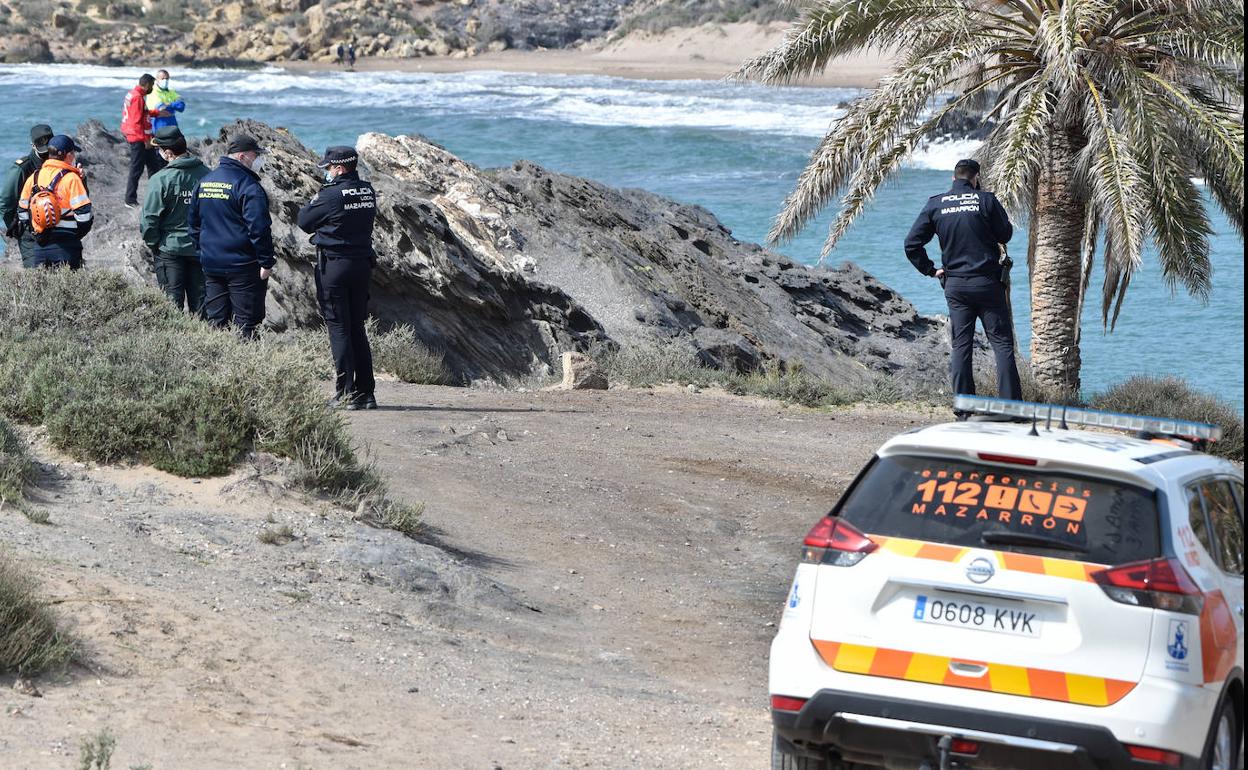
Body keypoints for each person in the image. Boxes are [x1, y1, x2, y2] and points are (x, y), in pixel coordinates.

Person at [904, 158, 1022, 405]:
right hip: (988, 283)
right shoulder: (986, 200)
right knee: (1001, 345)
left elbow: (911, 244)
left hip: (955, 285)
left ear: (953, 178)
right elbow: (1005, 234)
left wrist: (931, 270)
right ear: (976, 177)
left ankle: (965, 408)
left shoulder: (936, 204)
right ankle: (1011, 408)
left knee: (961, 346)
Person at [297, 145, 379, 410]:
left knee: (339, 328)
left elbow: (304, 221)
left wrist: (317, 201)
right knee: (357, 327)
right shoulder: (367, 190)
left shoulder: (330, 195)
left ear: (340, 168)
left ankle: (344, 393)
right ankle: (366, 393)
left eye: (329, 168)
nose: (327, 173)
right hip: (362, 264)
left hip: (335, 266)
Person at [187, 135, 275, 340]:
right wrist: (266, 261)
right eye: (255, 155)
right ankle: (246, 369)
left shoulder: (205, 182)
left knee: (217, 322)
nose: (258, 160)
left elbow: (192, 224)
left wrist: (204, 252)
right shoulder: (248, 186)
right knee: (247, 323)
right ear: (243, 156)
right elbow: (259, 229)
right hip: (243, 265)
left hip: (212, 264)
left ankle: (217, 366)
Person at [141, 126, 210, 314]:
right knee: (201, 307)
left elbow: (149, 219)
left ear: (168, 153)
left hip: (169, 250)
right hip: (200, 248)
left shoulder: (160, 179)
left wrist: (154, 243)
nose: (158, 153)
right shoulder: (208, 175)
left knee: (171, 307)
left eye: (159, 150)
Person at [16, 135, 92, 270]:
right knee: (69, 290)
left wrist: (36, 232)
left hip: (40, 248)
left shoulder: (34, 177)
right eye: (73, 153)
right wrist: (74, 236)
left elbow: (22, 213)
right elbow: (84, 216)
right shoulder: (72, 179)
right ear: (67, 155)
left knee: (42, 290)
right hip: (67, 249)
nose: (74, 156)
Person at [1, 123, 53, 267]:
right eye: (42, 150)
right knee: (36, 277)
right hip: (30, 234)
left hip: (54, 230)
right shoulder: (22, 168)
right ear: (32, 145)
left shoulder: (56, 164)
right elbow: (5, 203)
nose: (45, 153)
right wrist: (18, 228)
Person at [121, 73, 167, 208]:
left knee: (154, 167)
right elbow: (136, 122)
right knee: (137, 169)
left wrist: (156, 113)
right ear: (146, 85)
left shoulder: (133, 94)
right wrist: (146, 140)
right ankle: (130, 200)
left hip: (139, 137)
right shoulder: (137, 98)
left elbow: (141, 113)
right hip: (139, 139)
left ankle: (155, 197)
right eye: (152, 85)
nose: (152, 88)